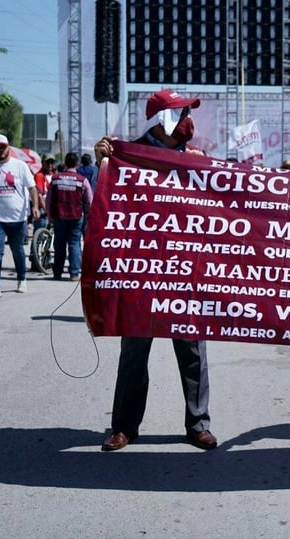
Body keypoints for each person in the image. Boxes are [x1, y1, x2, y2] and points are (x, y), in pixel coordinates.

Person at [94, 88, 217, 452]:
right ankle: (124, 427)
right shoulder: (125, 155)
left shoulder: (196, 157)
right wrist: (103, 162)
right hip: (142, 269)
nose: (185, 121)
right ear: (160, 120)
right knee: (134, 349)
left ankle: (198, 424)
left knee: (192, 348)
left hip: (185, 268)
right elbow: (107, 203)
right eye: (178, 114)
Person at [0, 134, 40, 299]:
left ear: (8, 147)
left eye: (3, 146)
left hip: (17, 219)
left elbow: (32, 188)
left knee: (17, 250)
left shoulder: (20, 166)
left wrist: (36, 206)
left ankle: (21, 279)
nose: (1, 150)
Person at [46, 152, 93, 281]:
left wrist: (50, 215)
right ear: (77, 163)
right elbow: (89, 201)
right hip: (76, 215)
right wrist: (89, 215)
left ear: (65, 163)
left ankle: (57, 273)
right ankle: (74, 273)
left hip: (59, 215)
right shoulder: (82, 180)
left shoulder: (55, 179)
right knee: (74, 243)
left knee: (59, 244)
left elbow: (49, 200)